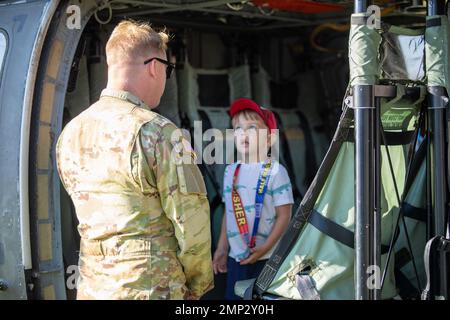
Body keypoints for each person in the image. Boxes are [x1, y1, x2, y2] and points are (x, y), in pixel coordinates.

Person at [56, 20, 213, 300]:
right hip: (151, 287)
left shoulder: (71, 133)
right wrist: (198, 284)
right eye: (168, 69)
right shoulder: (158, 132)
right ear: (154, 67)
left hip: (93, 287)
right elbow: (191, 221)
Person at [212, 98, 294, 300]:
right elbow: (229, 213)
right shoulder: (231, 171)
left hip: (267, 257)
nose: (243, 133)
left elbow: (285, 216)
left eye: (252, 128)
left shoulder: (276, 171)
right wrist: (222, 248)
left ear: (269, 139)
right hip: (236, 258)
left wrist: (265, 248)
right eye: (238, 128)